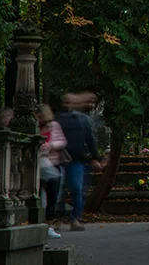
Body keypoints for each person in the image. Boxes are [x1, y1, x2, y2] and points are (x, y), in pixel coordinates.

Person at [56, 93, 103, 231]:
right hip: (60, 159)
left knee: (77, 188)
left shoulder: (82, 119)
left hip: (76, 159)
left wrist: (95, 158)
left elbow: (89, 139)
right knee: (59, 191)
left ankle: (75, 218)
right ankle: (58, 218)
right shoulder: (59, 118)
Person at [36, 104, 66, 239]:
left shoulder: (54, 126)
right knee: (39, 197)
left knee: (52, 197)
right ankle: (38, 223)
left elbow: (62, 141)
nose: (39, 118)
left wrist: (51, 145)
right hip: (37, 165)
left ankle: (49, 226)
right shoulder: (34, 126)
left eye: (41, 116)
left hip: (52, 164)